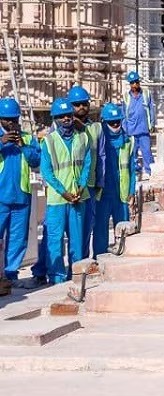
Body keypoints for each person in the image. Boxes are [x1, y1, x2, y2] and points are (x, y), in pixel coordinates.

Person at [39, 98, 93, 285]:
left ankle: (77, 275)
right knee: (55, 240)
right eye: (61, 116)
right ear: (55, 118)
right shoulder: (48, 141)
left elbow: (87, 164)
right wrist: (63, 192)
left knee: (76, 241)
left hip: (78, 197)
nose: (66, 119)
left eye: (68, 115)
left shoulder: (83, 137)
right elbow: (46, 171)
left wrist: (81, 184)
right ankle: (56, 277)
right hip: (57, 200)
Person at [0, 98, 39, 290]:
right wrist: (1, 142)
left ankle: (10, 274)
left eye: (14, 119)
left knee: (18, 238)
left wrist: (23, 145)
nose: (12, 123)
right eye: (7, 120)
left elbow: (36, 160)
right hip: (1, 197)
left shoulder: (28, 138)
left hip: (21, 196)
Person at [92, 103, 137, 256]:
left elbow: (131, 168)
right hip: (103, 193)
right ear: (104, 122)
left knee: (123, 229)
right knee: (100, 230)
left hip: (121, 194)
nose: (116, 124)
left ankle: (123, 258)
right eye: (112, 122)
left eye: (118, 121)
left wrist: (131, 190)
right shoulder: (98, 141)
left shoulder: (128, 141)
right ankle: (99, 258)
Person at [68, 85, 104, 260]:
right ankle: (51, 272)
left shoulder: (96, 128)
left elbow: (101, 156)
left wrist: (100, 182)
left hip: (88, 185)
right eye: (77, 104)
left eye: (84, 103)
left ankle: (81, 264)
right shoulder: (62, 129)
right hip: (66, 188)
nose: (81, 107)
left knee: (85, 228)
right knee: (57, 231)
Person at [122, 71, 155, 177]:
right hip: (131, 129)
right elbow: (123, 114)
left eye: (136, 82)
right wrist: (124, 128)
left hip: (144, 128)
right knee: (133, 152)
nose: (135, 85)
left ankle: (148, 171)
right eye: (132, 83)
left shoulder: (146, 93)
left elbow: (151, 109)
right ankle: (136, 171)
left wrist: (152, 124)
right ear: (130, 84)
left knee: (146, 151)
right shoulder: (126, 96)